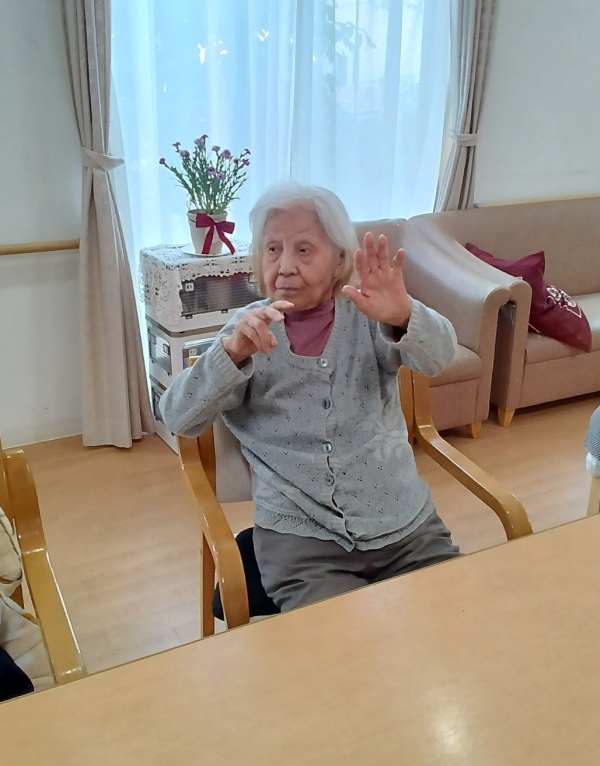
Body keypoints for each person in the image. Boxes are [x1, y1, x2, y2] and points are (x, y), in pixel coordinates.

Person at [160, 182, 460, 612]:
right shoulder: (246, 333)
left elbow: (441, 357)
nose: (284, 267)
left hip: (405, 528)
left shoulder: (369, 316)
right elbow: (177, 416)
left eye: (304, 250)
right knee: (339, 647)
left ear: (338, 259)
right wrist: (229, 355)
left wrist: (405, 314)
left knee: (455, 621)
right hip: (302, 546)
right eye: (272, 249)